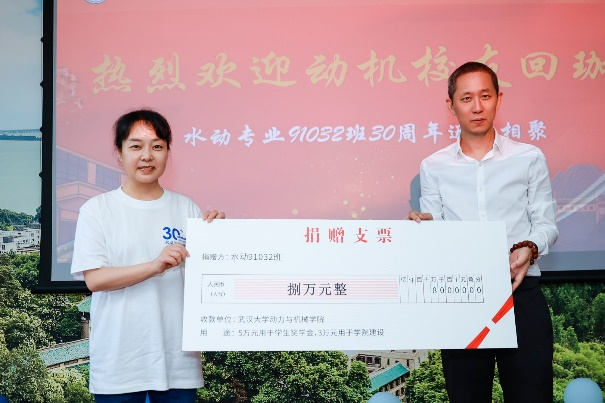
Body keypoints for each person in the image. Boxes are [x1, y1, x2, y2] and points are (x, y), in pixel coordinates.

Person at [407, 62, 558, 403]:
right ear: (451, 106)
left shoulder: (528, 157)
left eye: (485, 96)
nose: (477, 107)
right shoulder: (433, 166)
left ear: (498, 99)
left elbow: (547, 224)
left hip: (520, 294)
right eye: (466, 98)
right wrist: (421, 228)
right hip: (464, 300)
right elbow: (437, 229)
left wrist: (529, 247)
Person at [71, 108, 225, 402]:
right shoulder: (97, 210)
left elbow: (206, 279)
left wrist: (220, 239)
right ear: (119, 152)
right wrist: (154, 266)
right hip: (119, 362)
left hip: (177, 360)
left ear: (168, 152)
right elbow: (95, 279)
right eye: (136, 146)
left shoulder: (186, 207)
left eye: (157, 146)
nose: (147, 156)